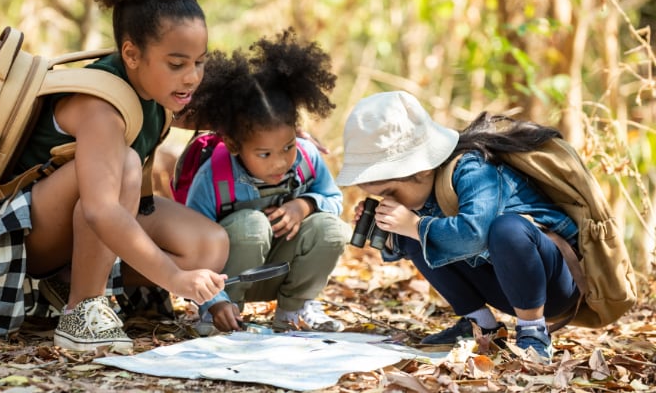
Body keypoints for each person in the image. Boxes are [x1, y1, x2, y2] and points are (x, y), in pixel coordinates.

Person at [0, 0, 229, 352]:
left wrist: (296, 140)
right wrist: (175, 278)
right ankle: (81, 310)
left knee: (209, 245)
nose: (191, 77)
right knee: (124, 165)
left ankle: (68, 283)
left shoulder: (159, 92)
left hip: (86, 216)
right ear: (131, 53)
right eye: (177, 63)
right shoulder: (100, 106)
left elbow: (222, 118)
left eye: (200, 62)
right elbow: (103, 212)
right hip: (28, 233)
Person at [336, 91, 582, 362]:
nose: (388, 201)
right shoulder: (421, 192)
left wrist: (415, 226)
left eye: (390, 192)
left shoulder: (475, 170)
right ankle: (480, 325)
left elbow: (474, 236)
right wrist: (388, 230)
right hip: (502, 285)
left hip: (551, 286)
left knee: (506, 229)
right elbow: (414, 245)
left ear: (423, 169)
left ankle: (533, 332)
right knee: (416, 232)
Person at [183, 29, 351, 333]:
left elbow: (335, 200)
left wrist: (305, 205)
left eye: (287, 147)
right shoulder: (214, 177)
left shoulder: (307, 157)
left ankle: (294, 309)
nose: (279, 161)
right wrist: (213, 300)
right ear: (234, 145)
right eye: (264, 153)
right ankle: (224, 312)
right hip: (228, 280)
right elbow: (193, 244)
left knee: (333, 229)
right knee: (251, 225)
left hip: (281, 272)